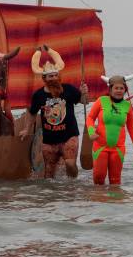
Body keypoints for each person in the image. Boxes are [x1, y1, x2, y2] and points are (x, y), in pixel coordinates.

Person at [19, 45, 89, 178]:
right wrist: (26, 129)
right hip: (49, 140)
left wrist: (84, 93)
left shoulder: (68, 89)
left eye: (56, 75)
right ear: (44, 79)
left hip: (69, 136)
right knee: (49, 174)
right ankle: (52, 196)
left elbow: (84, 101)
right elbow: (32, 113)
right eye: (50, 76)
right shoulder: (38, 95)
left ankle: (72, 186)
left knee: (70, 164)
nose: (54, 78)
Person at [86, 73, 133, 185]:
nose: (119, 90)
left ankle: (115, 201)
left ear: (125, 90)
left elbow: (132, 127)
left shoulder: (127, 105)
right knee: (98, 178)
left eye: (122, 88)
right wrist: (91, 132)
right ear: (110, 89)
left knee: (115, 181)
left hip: (118, 149)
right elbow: (90, 118)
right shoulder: (101, 101)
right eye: (116, 88)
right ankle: (99, 201)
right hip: (101, 147)